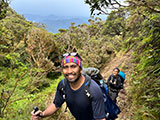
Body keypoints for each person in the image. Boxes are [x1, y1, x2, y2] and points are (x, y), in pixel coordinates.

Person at [31, 52, 106, 120]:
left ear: (80, 69)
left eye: (73, 66)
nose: (69, 71)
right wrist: (42, 114)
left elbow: (100, 118)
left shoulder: (93, 89)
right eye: (65, 67)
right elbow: (56, 104)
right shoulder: (63, 85)